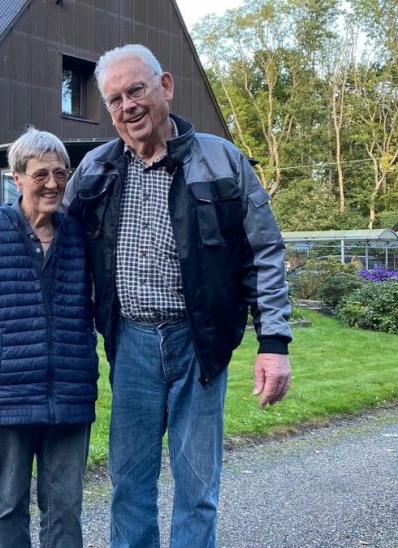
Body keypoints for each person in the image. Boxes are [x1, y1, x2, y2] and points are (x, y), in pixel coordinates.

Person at [62, 44, 293, 547]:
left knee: (197, 485)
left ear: (164, 86)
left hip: (201, 344)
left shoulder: (223, 160)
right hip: (131, 344)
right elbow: (56, 247)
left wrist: (273, 343)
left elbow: (264, 252)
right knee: (129, 483)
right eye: (115, 99)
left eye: (136, 90)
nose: (127, 106)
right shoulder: (95, 170)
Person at [0, 127, 99, 547]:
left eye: (61, 173)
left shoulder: (81, 238)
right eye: (41, 174)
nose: (52, 184)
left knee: (65, 508)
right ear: (17, 178)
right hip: (4, 397)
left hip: (70, 396)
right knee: (9, 504)